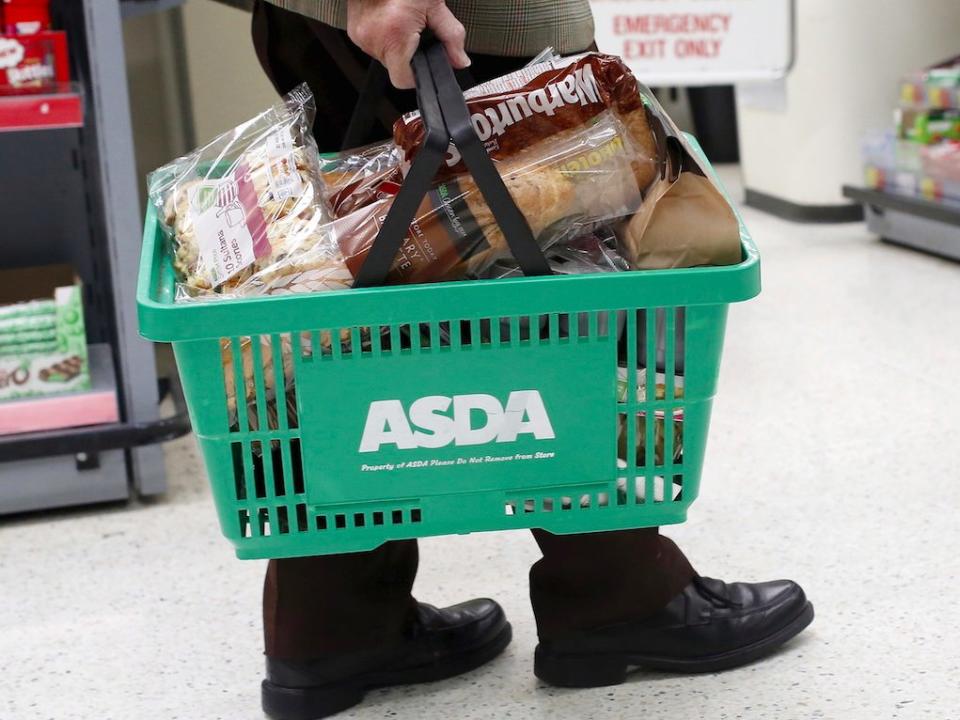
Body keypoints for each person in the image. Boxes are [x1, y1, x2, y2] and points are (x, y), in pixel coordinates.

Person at [241, 2, 816, 718]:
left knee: (373, 292)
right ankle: (618, 593)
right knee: (533, 283)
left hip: (336, 14)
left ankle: (334, 624)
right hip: (455, 19)